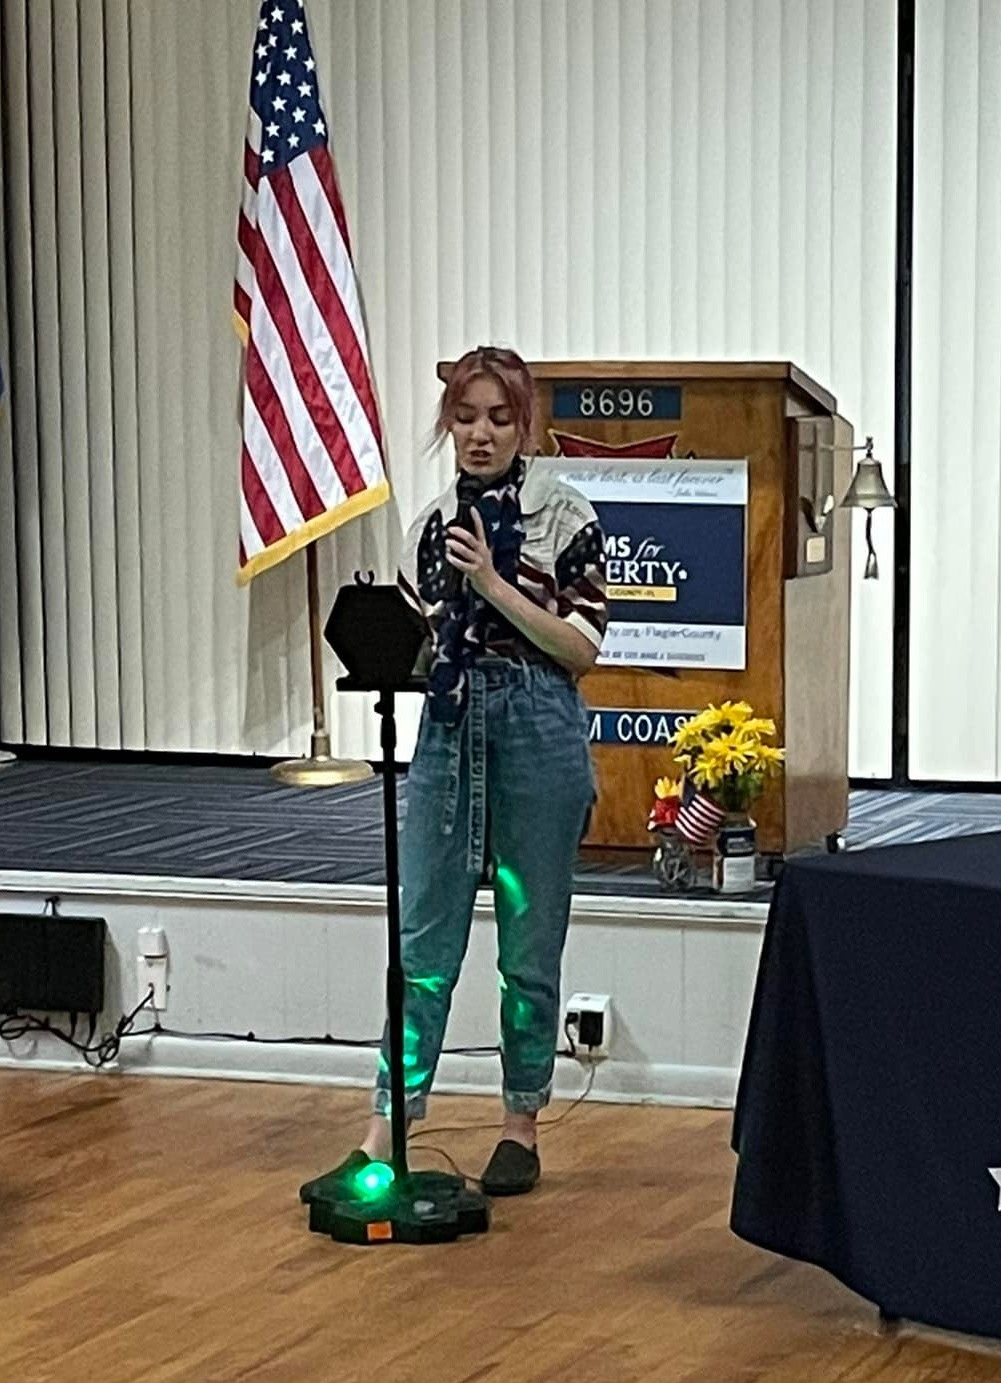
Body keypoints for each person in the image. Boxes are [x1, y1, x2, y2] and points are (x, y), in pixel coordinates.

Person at [301, 346, 607, 1200]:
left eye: (498, 419)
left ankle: (520, 1123)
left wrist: (496, 586)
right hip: (448, 725)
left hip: (536, 722)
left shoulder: (564, 514)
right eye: (465, 418)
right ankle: (386, 1127)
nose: (480, 434)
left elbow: (581, 646)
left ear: (523, 425)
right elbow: (420, 637)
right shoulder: (432, 523)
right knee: (422, 940)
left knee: (528, 942)